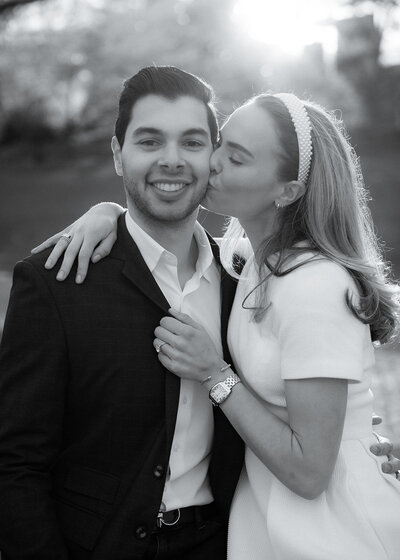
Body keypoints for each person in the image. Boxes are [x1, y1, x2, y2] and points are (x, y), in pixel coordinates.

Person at [34, 89, 400, 558]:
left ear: (287, 191)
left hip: (326, 526)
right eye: (221, 143)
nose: (213, 162)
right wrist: (110, 214)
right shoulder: (245, 263)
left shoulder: (315, 285)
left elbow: (311, 472)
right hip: (260, 515)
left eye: (239, 158)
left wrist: (214, 374)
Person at [0, 66, 244, 560]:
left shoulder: (246, 282)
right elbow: (14, 465)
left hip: (221, 544)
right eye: (150, 141)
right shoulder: (54, 282)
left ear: (213, 156)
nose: (172, 161)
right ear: (117, 154)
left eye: (192, 143)